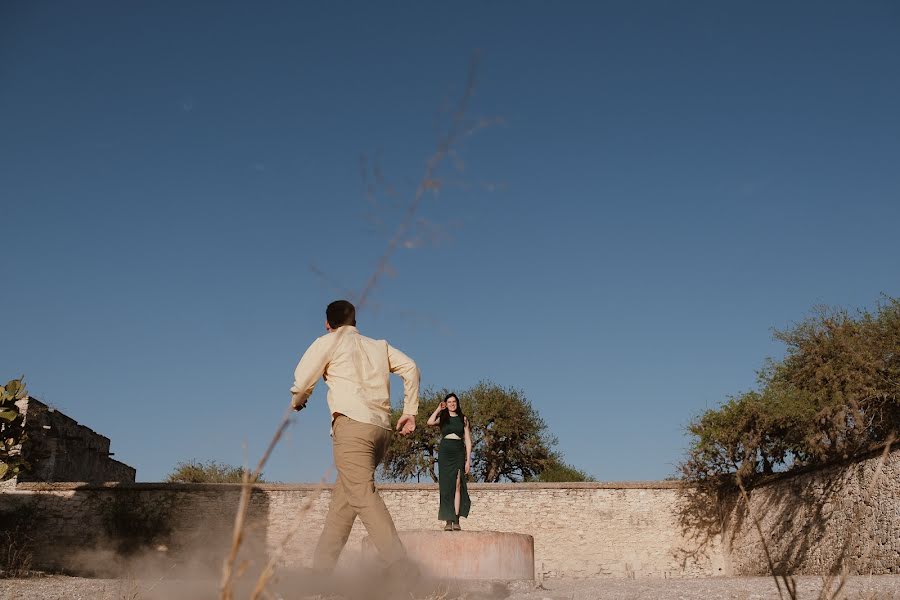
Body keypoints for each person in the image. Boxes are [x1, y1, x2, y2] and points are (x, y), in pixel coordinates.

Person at [290, 299, 420, 573]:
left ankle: (400, 565)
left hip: (353, 427)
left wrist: (299, 400)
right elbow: (410, 367)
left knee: (361, 492)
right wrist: (410, 411)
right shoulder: (378, 346)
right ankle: (320, 573)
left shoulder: (328, 342)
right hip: (382, 430)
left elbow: (302, 383)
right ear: (355, 322)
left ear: (328, 324)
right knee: (344, 503)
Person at [426, 392, 472, 530]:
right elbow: (429, 422)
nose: (452, 404)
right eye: (449, 402)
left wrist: (468, 460)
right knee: (446, 486)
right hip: (445, 451)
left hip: (458, 450)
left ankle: (456, 519)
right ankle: (448, 520)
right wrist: (439, 409)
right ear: (446, 404)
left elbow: (468, 440)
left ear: (457, 403)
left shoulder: (463, 419)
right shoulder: (443, 418)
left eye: (454, 402)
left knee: (458, 484)